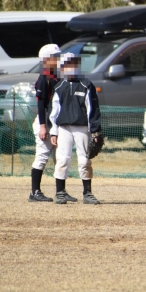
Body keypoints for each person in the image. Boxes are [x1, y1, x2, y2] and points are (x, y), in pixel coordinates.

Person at [49, 53, 102, 205]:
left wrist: (95, 131)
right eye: (66, 65)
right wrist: (53, 132)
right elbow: (54, 111)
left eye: (72, 64)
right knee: (62, 159)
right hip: (64, 128)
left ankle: (87, 193)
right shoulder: (59, 87)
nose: (70, 68)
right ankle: (60, 192)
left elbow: (93, 109)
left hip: (82, 127)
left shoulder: (86, 85)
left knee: (84, 160)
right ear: (62, 67)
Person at [28, 44, 61, 202]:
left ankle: (61, 191)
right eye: (55, 56)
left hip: (55, 123)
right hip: (45, 123)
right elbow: (41, 104)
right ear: (46, 59)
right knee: (42, 157)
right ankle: (35, 192)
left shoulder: (56, 76)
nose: (58, 59)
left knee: (60, 158)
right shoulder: (44, 77)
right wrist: (42, 126)